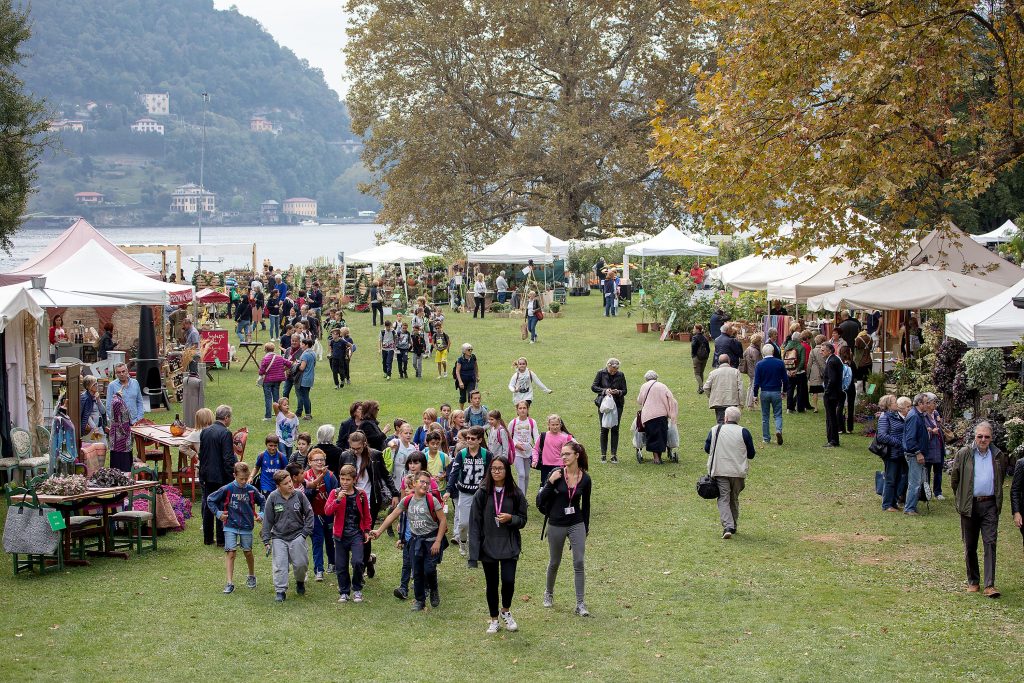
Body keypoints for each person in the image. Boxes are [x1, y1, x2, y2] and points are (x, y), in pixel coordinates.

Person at [371, 471, 448, 611]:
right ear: (414, 483)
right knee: (417, 571)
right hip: (415, 541)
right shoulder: (407, 500)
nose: (425, 485)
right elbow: (392, 516)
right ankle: (420, 601)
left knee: (429, 570)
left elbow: (443, 520)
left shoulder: (432, 500)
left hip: (431, 541)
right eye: (422, 482)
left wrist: (438, 541)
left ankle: (434, 588)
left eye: (427, 483)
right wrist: (378, 531)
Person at [950, 422, 1010, 598]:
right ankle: (973, 580)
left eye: (987, 437)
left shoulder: (998, 455)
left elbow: (1000, 478)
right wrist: (962, 498)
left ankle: (989, 585)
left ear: (991, 438)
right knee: (970, 545)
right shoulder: (964, 454)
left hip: (990, 505)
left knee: (990, 543)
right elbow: (955, 479)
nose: (983, 440)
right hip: (970, 505)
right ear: (974, 436)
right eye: (980, 436)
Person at [469, 455, 527, 633]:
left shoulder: (515, 493)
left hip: (509, 545)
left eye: (500, 468)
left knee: (508, 581)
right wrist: (474, 554)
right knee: (492, 583)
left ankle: (506, 611)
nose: (496, 471)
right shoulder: (482, 492)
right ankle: (494, 619)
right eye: (493, 468)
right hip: (489, 546)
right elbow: (474, 523)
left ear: (507, 471)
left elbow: (523, 519)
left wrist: (511, 519)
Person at [537, 440, 591, 617]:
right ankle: (548, 593)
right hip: (556, 523)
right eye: (562, 454)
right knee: (554, 562)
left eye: (567, 454)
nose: (564, 457)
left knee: (579, 562)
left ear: (577, 455)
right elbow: (540, 501)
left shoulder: (586, 479)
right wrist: (550, 483)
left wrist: (586, 528)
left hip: (576, 523)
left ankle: (580, 604)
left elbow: (586, 506)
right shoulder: (556, 474)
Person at [339, 430, 400, 580]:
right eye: (352, 448)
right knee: (353, 533)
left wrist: (395, 493)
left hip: (370, 500)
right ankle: (367, 560)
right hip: (350, 499)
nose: (355, 451)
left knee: (365, 533)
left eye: (358, 448)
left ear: (364, 444)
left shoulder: (375, 455)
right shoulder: (345, 456)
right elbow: (339, 477)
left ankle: (361, 566)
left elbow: (385, 475)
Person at [206, 461, 265, 593]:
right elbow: (210, 499)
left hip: (246, 525)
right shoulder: (227, 489)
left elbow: (263, 501)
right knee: (231, 552)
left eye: (246, 478)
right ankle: (229, 582)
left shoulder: (251, 489)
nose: (244, 481)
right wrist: (218, 513)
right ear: (234, 475)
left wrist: (261, 513)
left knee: (248, 552)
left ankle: (251, 575)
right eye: (241, 479)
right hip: (230, 525)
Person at [261, 469, 314, 602]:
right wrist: (266, 540)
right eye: (286, 483)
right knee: (280, 565)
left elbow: (309, 514)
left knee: (301, 564)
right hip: (279, 536)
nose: (290, 485)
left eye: (290, 481)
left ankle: (300, 581)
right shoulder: (272, 498)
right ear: (278, 486)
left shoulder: (299, 496)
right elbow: (268, 520)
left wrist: (304, 533)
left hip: (298, 535)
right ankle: (280, 591)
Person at [704, 406, 756, 539]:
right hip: (738, 472)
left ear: (725, 418)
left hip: (720, 470)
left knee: (723, 498)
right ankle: (733, 525)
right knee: (734, 498)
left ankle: (728, 526)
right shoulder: (744, 432)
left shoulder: (715, 429)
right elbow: (751, 454)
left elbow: (707, 448)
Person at [324, 464, 372, 603]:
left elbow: (366, 515)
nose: (344, 482)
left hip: (356, 534)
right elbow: (327, 511)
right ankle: (344, 591)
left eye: (348, 479)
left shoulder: (361, 494)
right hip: (340, 535)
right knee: (340, 565)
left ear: (354, 479)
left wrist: (367, 531)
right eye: (342, 479)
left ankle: (357, 589)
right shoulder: (334, 493)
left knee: (357, 561)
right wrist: (338, 500)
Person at [446, 425, 491, 556]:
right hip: (464, 492)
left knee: (480, 521)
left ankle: (477, 546)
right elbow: (454, 472)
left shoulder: (486, 455)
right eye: (468, 438)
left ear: (479, 440)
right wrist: (449, 489)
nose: (469, 440)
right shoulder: (462, 454)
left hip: (480, 493)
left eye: (472, 438)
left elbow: (490, 474)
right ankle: (463, 541)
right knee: (464, 522)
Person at [199, 405, 237, 546]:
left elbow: (201, 455)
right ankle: (221, 540)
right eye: (230, 417)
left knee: (209, 505)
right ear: (226, 418)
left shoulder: (205, 431)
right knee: (222, 506)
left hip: (207, 475)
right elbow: (228, 458)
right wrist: (231, 477)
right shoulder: (226, 433)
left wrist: (202, 474)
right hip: (221, 476)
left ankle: (208, 538)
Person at [304, 448, 339, 582]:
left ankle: (332, 563)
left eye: (322, 460)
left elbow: (335, 493)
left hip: (329, 514)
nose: (319, 462)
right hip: (313, 514)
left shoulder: (330, 476)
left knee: (331, 539)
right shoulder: (306, 476)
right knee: (317, 541)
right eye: (316, 460)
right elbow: (304, 495)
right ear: (310, 462)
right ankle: (319, 570)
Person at [902, 393, 935, 515]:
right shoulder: (914, 416)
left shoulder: (919, 415)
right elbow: (910, 438)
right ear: (920, 403)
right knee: (915, 482)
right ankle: (909, 508)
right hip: (914, 454)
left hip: (916, 453)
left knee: (918, 481)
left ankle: (912, 506)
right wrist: (918, 453)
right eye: (926, 402)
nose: (928, 405)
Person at [875, 395, 910, 512]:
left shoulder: (895, 416)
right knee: (890, 478)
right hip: (891, 453)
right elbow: (882, 436)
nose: (897, 404)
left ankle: (894, 502)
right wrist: (898, 442)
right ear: (889, 405)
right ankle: (887, 504)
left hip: (900, 453)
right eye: (895, 402)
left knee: (899, 478)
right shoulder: (885, 417)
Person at [637, 371, 678, 464]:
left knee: (652, 435)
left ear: (646, 379)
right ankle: (658, 457)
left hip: (648, 415)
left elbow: (639, 401)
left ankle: (656, 458)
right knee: (661, 435)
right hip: (661, 414)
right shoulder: (662, 386)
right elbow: (671, 398)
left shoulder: (644, 386)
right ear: (656, 378)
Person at [591, 358, 627, 463]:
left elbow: (625, 390)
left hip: (617, 404)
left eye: (615, 371)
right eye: (611, 370)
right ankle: (603, 454)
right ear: (608, 366)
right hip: (604, 404)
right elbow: (593, 387)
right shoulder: (601, 373)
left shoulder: (621, 375)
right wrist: (604, 391)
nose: (613, 372)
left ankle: (613, 454)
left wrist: (618, 392)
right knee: (604, 429)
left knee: (615, 429)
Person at [752, 343, 789, 445]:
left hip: (764, 392)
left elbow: (756, 382)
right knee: (778, 414)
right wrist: (784, 391)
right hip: (776, 391)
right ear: (773, 352)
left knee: (765, 416)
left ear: (763, 352)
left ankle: (766, 438)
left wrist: (755, 395)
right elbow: (785, 380)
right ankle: (778, 430)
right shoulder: (780, 363)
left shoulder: (759, 364)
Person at [703, 355, 744, 425]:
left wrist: (712, 396)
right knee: (732, 423)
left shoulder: (713, 373)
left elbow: (706, 387)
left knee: (720, 422)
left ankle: (721, 435)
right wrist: (741, 402)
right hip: (732, 401)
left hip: (719, 402)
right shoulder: (736, 372)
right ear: (729, 361)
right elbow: (740, 388)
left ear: (719, 362)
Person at [532, 414, 574, 482]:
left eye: (557, 424)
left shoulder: (564, 438)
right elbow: (535, 449)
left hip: (559, 466)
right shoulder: (543, 436)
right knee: (545, 487)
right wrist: (535, 460)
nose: (555, 427)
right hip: (545, 467)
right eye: (553, 425)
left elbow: (566, 453)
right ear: (548, 425)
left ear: (560, 425)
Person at [508, 400, 539, 491]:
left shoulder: (532, 422)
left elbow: (536, 437)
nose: (522, 410)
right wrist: (515, 444)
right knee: (521, 474)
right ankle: (521, 499)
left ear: (528, 409)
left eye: (524, 408)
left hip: (528, 453)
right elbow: (508, 437)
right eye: (520, 408)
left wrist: (536, 450)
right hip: (517, 453)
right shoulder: (513, 423)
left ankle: (523, 498)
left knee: (526, 475)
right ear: (517, 410)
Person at [258, 342, 291, 421]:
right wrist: (282, 369)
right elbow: (289, 364)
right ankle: (279, 415)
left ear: (265, 350)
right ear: (273, 349)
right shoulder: (279, 357)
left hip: (268, 380)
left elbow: (261, 372)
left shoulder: (265, 359)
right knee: (276, 398)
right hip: (278, 380)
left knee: (268, 398)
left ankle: (268, 416)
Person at [822, 343, 844, 448]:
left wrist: (827, 391)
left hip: (831, 394)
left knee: (830, 417)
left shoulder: (831, 362)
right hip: (835, 393)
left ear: (829, 351)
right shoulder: (835, 360)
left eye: (823, 350)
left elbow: (832, 379)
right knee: (831, 417)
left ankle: (833, 440)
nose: (821, 352)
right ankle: (832, 439)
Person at [924, 402, 947, 500]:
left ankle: (938, 492)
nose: (936, 405)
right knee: (927, 471)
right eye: (934, 403)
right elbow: (922, 430)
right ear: (927, 404)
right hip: (929, 448)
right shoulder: (923, 416)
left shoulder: (936, 413)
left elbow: (940, 427)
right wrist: (930, 431)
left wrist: (940, 422)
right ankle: (926, 492)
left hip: (939, 446)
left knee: (938, 471)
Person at [783, 332, 809, 413]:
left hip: (789, 371)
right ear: (799, 338)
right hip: (800, 372)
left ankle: (789, 408)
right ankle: (800, 408)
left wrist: (788, 370)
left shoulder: (787, 346)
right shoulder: (801, 347)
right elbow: (802, 361)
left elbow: (784, 358)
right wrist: (797, 370)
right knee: (800, 390)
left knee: (790, 390)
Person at [78, 376, 106, 446]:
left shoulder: (95, 395)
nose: (97, 386)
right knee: (95, 448)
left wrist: (98, 400)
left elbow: (103, 411)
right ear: (88, 387)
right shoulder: (85, 398)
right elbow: (86, 415)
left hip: (98, 426)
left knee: (103, 446)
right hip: (91, 429)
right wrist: (94, 428)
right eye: (94, 384)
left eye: (97, 383)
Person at [295, 338, 317, 420]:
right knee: (306, 396)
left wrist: (296, 365)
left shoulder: (305, 355)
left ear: (307, 345)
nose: (301, 345)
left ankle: (308, 414)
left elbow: (302, 368)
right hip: (310, 377)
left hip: (304, 378)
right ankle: (308, 413)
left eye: (302, 344)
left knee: (305, 397)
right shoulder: (313, 353)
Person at [838, 347, 856, 434]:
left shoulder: (839, 363)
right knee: (850, 407)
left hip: (842, 387)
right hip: (851, 387)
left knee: (841, 406)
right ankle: (850, 428)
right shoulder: (852, 363)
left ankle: (841, 428)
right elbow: (857, 375)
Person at [742, 333, 763, 408]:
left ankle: (748, 403)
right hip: (754, 371)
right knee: (753, 387)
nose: (761, 342)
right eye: (760, 340)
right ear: (757, 341)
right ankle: (750, 405)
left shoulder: (748, 348)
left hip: (750, 370)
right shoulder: (755, 351)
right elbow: (758, 363)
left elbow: (744, 356)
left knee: (750, 386)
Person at [807, 334, 828, 413]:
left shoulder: (812, 351)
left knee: (815, 391)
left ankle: (815, 407)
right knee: (826, 390)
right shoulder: (826, 349)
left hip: (815, 372)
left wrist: (808, 374)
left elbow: (809, 364)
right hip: (825, 370)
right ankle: (826, 406)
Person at [455, 344, 479, 409]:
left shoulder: (473, 357)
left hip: (471, 379)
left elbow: (476, 367)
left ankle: (470, 411)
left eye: (471, 349)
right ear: (464, 351)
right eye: (468, 350)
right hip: (463, 380)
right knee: (462, 397)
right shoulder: (460, 359)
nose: (470, 351)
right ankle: (461, 410)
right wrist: (460, 382)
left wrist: (477, 376)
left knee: (471, 395)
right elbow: (457, 371)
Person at [691, 324, 711, 394]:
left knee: (697, 373)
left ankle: (702, 387)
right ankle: (700, 388)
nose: (693, 330)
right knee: (701, 373)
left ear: (697, 329)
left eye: (694, 328)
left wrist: (693, 355)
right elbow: (708, 349)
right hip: (704, 357)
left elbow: (693, 346)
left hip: (697, 357)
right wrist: (707, 356)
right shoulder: (705, 338)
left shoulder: (695, 338)